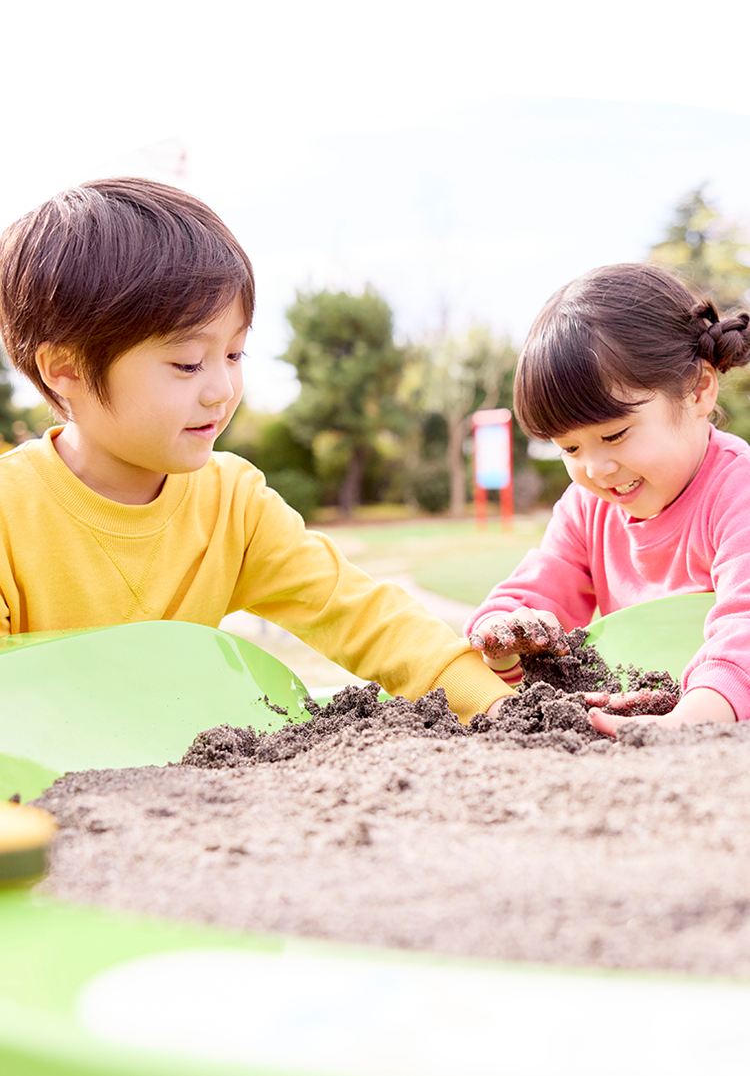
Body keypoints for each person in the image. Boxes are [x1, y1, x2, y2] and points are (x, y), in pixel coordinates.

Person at [0, 177, 512, 724]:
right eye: (188, 363)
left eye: (236, 353)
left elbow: (362, 615)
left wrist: (499, 705)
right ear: (67, 369)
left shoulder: (233, 505)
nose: (221, 388)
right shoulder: (10, 512)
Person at [464, 262, 750, 736]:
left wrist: (690, 722)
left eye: (615, 435)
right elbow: (538, 593)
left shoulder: (736, 492)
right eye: (570, 448)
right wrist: (507, 633)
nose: (595, 469)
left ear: (697, 389)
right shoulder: (587, 506)